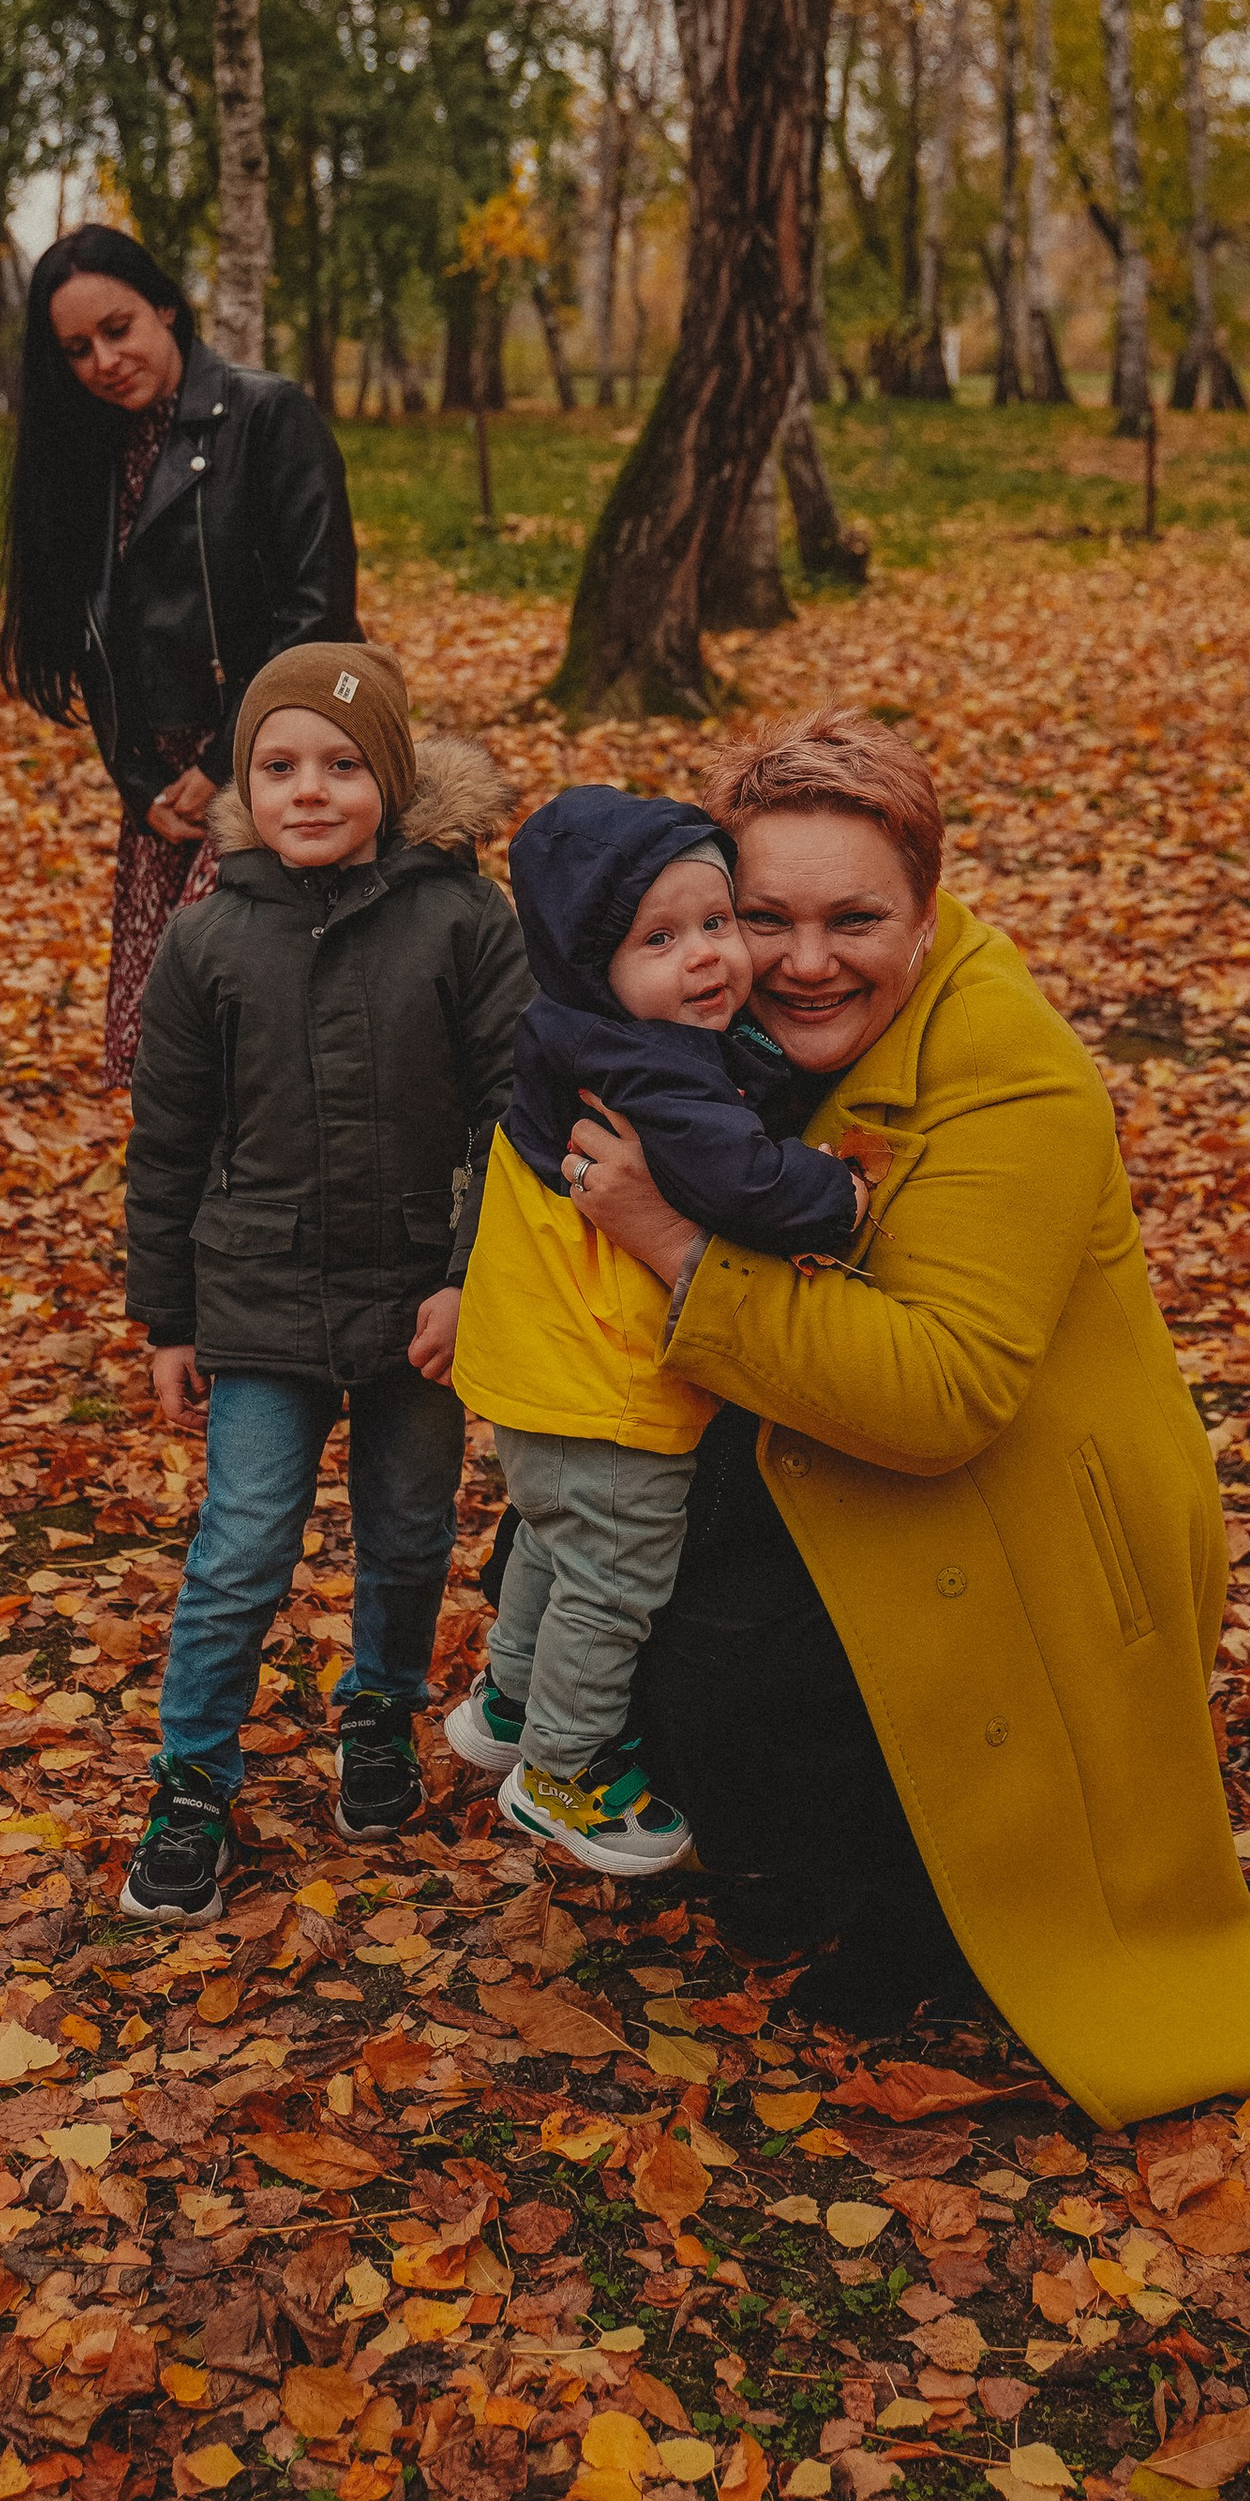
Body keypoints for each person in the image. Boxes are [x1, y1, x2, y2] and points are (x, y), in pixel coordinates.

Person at [558, 709, 1250, 2127]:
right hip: (832, 1422)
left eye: (854, 918)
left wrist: (673, 1248)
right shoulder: (724, 1023)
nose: (805, 959)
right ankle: (811, 1846)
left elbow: (945, 1394)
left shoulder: (1011, 1071)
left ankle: (913, 1907)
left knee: (745, 1676)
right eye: (762, 916)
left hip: (1016, 1505)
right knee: (633, 1590)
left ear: (928, 909)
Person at [119, 644, 526, 1921]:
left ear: (391, 783)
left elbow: (510, 1120)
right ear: (246, 782)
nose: (309, 790)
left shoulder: (464, 922)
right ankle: (192, 1782)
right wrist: (167, 1318)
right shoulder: (207, 939)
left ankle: (378, 1718)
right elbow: (168, 1138)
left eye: (343, 766)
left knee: (408, 1537)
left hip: (417, 1302)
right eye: (279, 765)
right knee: (240, 1548)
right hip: (260, 1302)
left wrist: (471, 1282)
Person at [444, 789, 880, 1877]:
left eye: (717, 922)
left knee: (551, 1535)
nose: (706, 960)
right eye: (660, 938)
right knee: (615, 1574)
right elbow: (736, 1177)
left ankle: (505, 1700)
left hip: (534, 1374)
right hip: (608, 1384)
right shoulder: (654, 1064)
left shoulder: (571, 1025)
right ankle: (564, 1766)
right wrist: (837, 1199)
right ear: (596, 962)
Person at [0, 227, 358, 1089]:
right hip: (161, 798)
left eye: (119, 329)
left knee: (254, 1039)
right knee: (170, 1063)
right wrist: (139, 784)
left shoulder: (267, 417)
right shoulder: (83, 449)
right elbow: (86, 636)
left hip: (269, 776)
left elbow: (318, 612)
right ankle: (185, 1225)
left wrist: (222, 760)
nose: (104, 361)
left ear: (164, 305)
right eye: (77, 349)